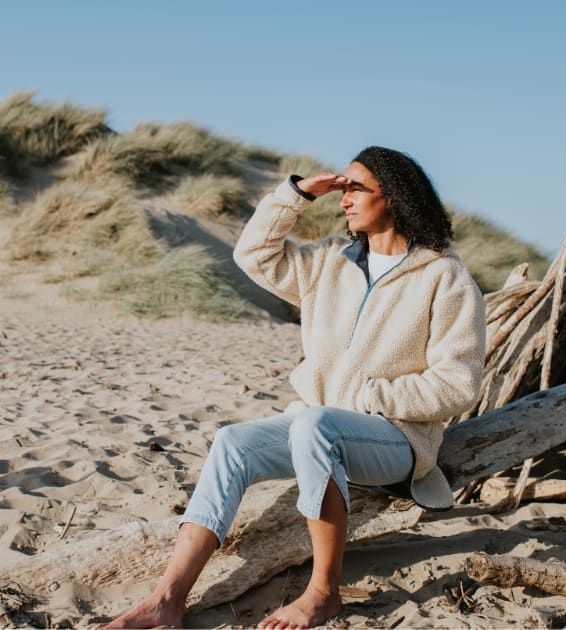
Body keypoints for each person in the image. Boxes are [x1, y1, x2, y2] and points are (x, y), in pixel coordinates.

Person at [106, 146, 487, 629]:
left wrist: (370, 397)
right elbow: (252, 254)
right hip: (317, 428)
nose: (344, 199)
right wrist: (297, 195)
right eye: (342, 188)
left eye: (356, 188)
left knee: (314, 424)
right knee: (232, 442)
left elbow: (459, 384)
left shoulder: (444, 276)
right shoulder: (330, 260)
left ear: (392, 197)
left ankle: (324, 592)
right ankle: (167, 599)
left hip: (397, 440)